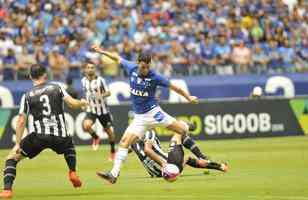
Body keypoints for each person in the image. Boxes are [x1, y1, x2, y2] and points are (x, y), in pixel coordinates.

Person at [92, 44, 198, 184]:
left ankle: (185, 125)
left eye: (148, 66)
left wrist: (189, 97)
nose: (145, 69)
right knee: (124, 143)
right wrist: (102, 51)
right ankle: (113, 174)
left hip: (154, 114)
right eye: (143, 67)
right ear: (138, 63)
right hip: (140, 118)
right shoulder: (131, 68)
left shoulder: (155, 77)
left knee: (182, 130)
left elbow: (175, 87)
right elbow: (117, 58)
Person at [0, 65, 88, 198]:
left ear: (30, 77)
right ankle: (72, 171)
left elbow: (21, 120)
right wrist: (82, 103)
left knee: (11, 159)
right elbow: (72, 104)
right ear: (45, 75)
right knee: (69, 145)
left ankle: (7, 190)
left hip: (40, 136)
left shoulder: (28, 95)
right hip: (60, 135)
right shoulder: (56, 87)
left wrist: (17, 143)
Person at [131, 128, 228, 178]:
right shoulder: (148, 132)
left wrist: (116, 171)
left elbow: (129, 150)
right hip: (168, 167)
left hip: (156, 174)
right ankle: (203, 157)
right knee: (179, 133)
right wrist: (164, 164)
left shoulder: (132, 140)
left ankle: (220, 166)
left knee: (187, 158)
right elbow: (147, 150)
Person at [81, 61, 116, 160]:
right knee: (86, 125)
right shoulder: (83, 81)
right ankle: (96, 137)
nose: (90, 69)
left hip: (103, 110)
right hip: (91, 109)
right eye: (88, 67)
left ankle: (113, 151)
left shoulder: (100, 80)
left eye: (92, 67)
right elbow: (86, 93)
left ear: (95, 69)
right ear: (85, 69)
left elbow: (108, 92)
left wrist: (100, 95)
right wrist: (84, 103)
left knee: (109, 132)